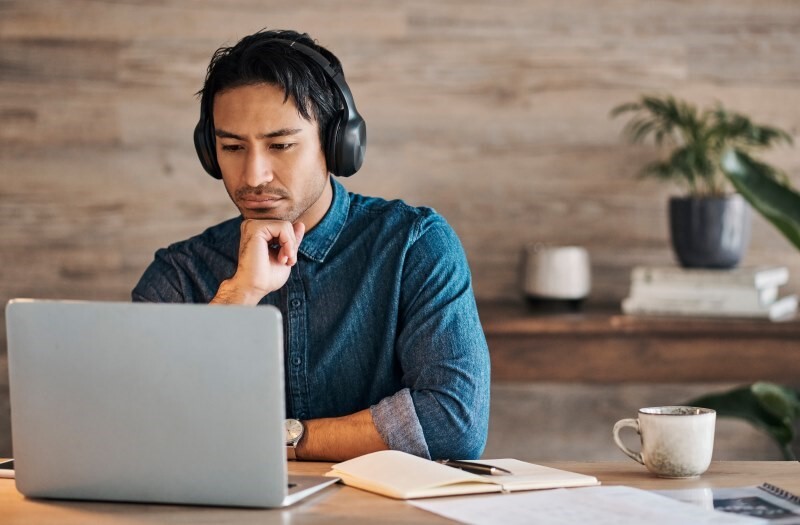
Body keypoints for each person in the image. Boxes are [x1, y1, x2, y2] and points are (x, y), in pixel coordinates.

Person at [132, 29, 490, 462]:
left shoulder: (414, 245)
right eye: (231, 146)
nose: (253, 176)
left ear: (338, 143)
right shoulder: (179, 273)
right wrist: (238, 296)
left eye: (280, 145)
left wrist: (284, 438)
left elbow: (454, 422)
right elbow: (143, 424)